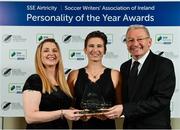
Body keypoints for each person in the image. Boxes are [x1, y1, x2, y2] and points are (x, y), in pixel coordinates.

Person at [104, 25, 176, 129]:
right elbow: (124, 97)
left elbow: (160, 100)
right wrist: (101, 109)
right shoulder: (124, 67)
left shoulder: (163, 64)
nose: (135, 44)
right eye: (130, 40)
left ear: (149, 42)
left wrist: (125, 109)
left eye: (140, 39)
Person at [67, 30, 122, 129]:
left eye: (99, 46)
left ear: (105, 50)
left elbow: (120, 106)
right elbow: (68, 106)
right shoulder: (73, 75)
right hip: (80, 127)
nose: (95, 50)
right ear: (85, 50)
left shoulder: (115, 74)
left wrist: (109, 114)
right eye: (91, 46)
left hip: (107, 127)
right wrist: (79, 115)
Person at [22, 38, 81, 129]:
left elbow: (58, 107)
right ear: (39, 56)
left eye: (55, 50)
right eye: (46, 51)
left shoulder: (63, 83)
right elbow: (30, 117)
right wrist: (63, 112)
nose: (51, 53)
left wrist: (74, 112)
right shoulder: (35, 80)